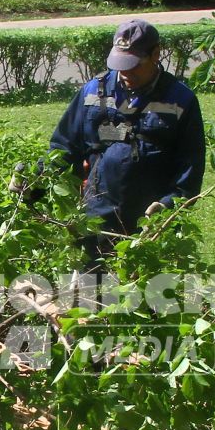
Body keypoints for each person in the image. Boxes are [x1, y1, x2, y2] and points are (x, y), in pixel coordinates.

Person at [41, 19, 205, 259]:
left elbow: (190, 166)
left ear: (156, 54)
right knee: (93, 290)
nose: (125, 72)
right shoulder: (91, 93)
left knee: (151, 293)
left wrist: (169, 206)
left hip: (150, 221)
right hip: (96, 216)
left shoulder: (180, 100)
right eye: (120, 64)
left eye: (133, 64)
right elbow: (64, 147)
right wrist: (34, 182)